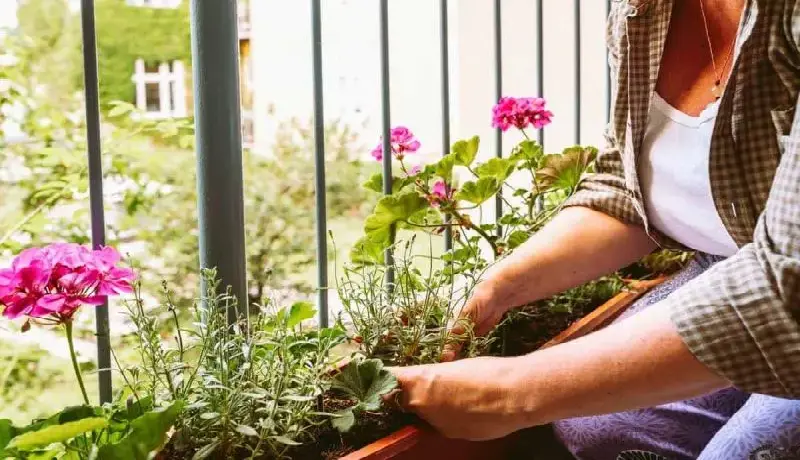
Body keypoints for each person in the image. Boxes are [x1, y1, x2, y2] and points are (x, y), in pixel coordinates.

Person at [387, 0, 800, 459]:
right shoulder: (644, 11)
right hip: (732, 261)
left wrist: (508, 393)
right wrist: (499, 285)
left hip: (783, 289)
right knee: (599, 427)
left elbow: (789, 288)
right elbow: (627, 186)